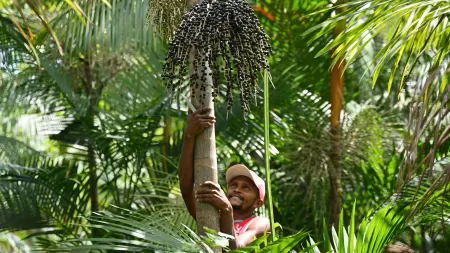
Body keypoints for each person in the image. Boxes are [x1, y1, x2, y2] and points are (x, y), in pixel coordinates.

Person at [178, 108, 270, 249]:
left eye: (246, 188)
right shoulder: (212, 215)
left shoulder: (260, 223)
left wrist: (226, 209)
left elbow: (236, 249)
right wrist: (189, 135)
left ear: (258, 203)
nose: (237, 189)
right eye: (233, 185)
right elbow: (186, 189)